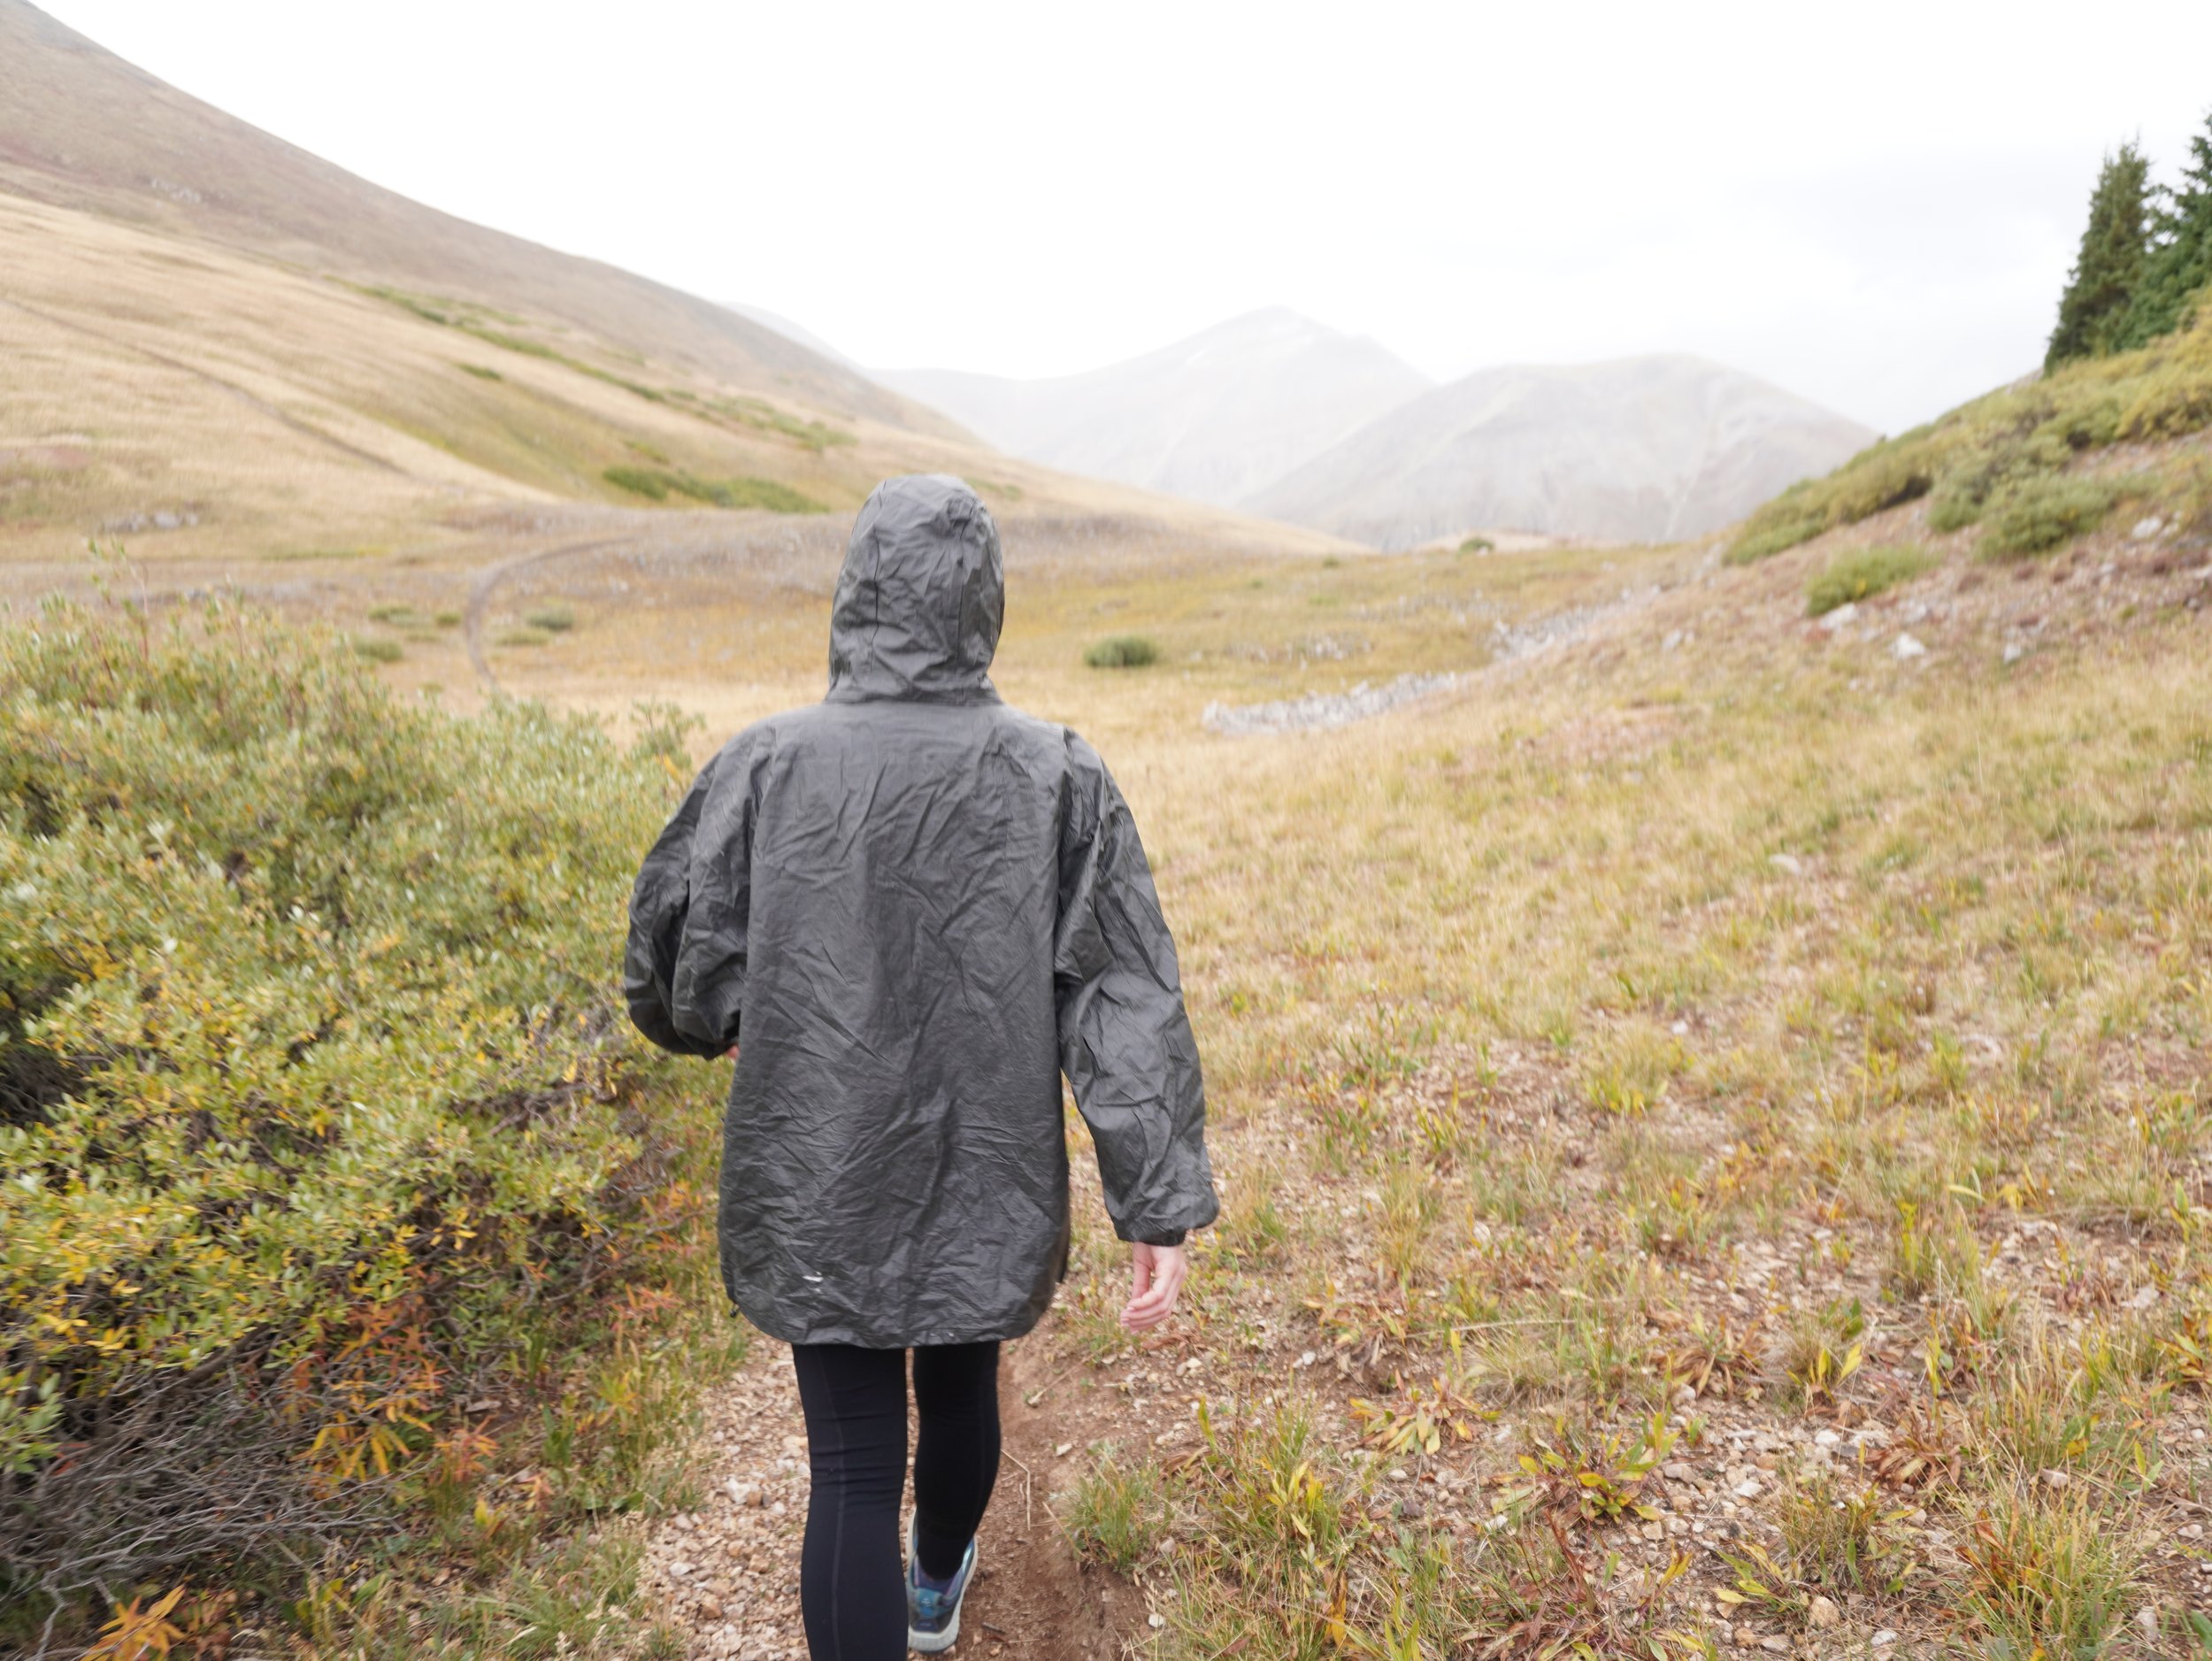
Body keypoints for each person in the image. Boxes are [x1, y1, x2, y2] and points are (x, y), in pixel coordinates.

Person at [625, 474, 1217, 1659]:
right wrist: (1155, 1199)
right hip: (981, 1157)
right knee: (959, 1388)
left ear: (858, 592)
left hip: (815, 1164)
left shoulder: (762, 764)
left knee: (848, 1466)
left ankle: (919, 1596)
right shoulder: (1060, 774)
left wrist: (725, 1019)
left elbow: (673, 956)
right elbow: (1122, 991)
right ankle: (936, 1588)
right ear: (983, 600)